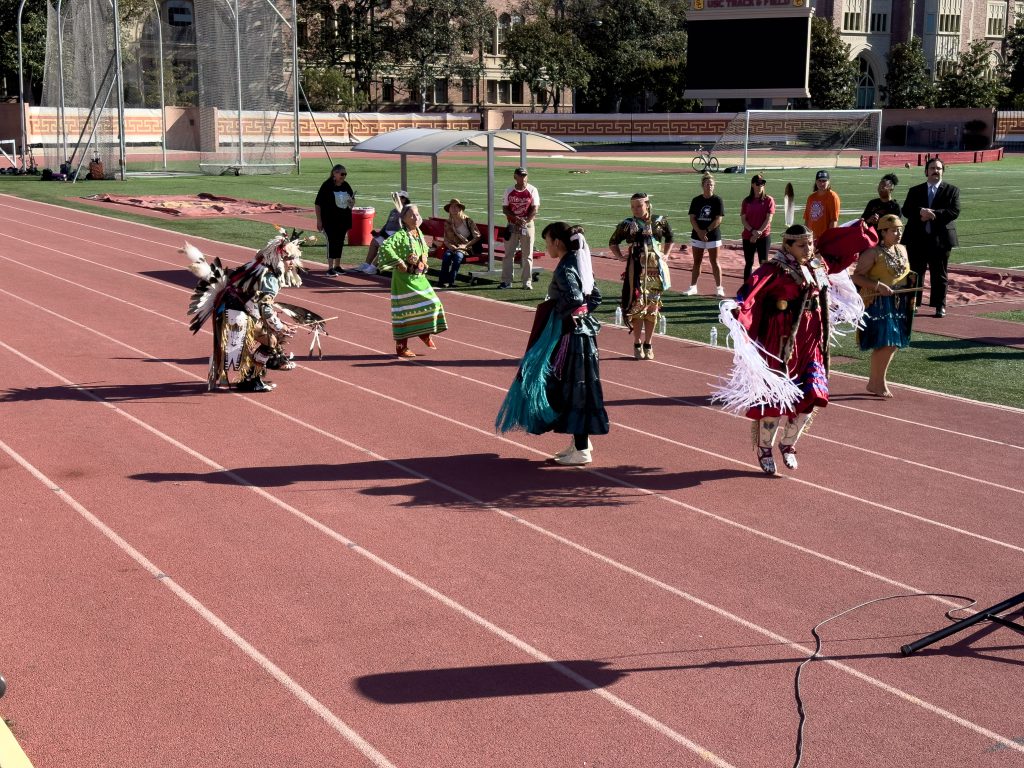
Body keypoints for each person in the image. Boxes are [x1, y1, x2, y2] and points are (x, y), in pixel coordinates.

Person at [712, 222, 875, 474]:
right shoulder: (774, 269)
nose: (808, 248)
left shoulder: (818, 265)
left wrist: (861, 233)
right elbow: (752, 290)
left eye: (810, 243)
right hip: (782, 340)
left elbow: (841, 254)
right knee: (774, 399)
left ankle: (788, 443)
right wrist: (737, 307)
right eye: (801, 245)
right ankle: (765, 448)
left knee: (812, 395)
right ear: (787, 246)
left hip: (811, 339)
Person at [496, 222, 609, 466]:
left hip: (571, 338)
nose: (546, 246)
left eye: (547, 241)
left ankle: (582, 449)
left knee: (573, 389)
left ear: (557, 242)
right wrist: (581, 314)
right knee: (577, 388)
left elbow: (575, 298)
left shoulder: (565, 267)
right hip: (582, 335)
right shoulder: (578, 264)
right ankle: (580, 443)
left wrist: (559, 316)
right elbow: (595, 297)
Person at [182, 229, 311, 393]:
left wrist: (275, 322)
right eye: (288, 258)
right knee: (271, 340)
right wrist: (279, 326)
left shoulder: (259, 267)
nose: (292, 263)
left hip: (234, 309)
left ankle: (257, 372)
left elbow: (256, 301)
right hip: (236, 313)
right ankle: (252, 378)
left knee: (268, 339)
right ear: (277, 258)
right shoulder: (270, 277)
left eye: (293, 258)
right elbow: (264, 307)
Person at [851, 214, 916, 398]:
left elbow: (904, 272)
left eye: (900, 230)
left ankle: (876, 382)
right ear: (883, 232)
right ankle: (877, 383)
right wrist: (878, 286)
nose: (898, 234)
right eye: (894, 231)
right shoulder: (872, 253)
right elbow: (856, 277)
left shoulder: (902, 249)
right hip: (878, 302)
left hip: (899, 301)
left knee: (893, 344)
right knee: (886, 343)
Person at [375, 204, 447, 357]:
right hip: (403, 279)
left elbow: (424, 249)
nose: (416, 217)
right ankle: (401, 347)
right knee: (405, 312)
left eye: (417, 214)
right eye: (412, 215)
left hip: (419, 277)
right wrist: (399, 262)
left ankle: (424, 332)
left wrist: (424, 259)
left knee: (433, 303)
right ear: (404, 219)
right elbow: (385, 247)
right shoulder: (400, 235)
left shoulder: (418, 232)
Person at [609, 192, 675, 360]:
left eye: (639, 206)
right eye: (633, 206)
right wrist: (620, 257)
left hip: (655, 270)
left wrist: (666, 254)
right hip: (636, 270)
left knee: (653, 307)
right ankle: (637, 343)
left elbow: (670, 237)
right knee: (637, 306)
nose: (635, 209)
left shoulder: (659, 221)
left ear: (647, 205)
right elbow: (613, 242)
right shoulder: (627, 224)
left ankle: (648, 343)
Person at [901, 158, 960, 318]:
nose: (935, 171)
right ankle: (914, 303)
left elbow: (954, 211)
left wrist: (934, 214)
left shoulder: (952, 190)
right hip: (917, 239)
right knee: (915, 273)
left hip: (940, 240)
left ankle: (940, 305)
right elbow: (906, 210)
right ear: (926, 171)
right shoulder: (915, 190)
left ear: (943, 171)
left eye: (939, 168)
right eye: (932, 168)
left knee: (939, 274)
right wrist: (920, 212)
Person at [499, 167, 541, 290]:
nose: (522, 178)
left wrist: (526, 220)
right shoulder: (509, 190)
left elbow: (535, 208)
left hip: (527, 225)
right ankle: (506, 281)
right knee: (508, 254)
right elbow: (505, 208)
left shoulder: (532, 190)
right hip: (512, 225)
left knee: (527, 255)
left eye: (524, 176)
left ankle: (527, 281)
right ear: (515, 177)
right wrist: (515, 218)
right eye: (520, 175)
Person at [685, 173, 725, 297]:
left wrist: (706, 231)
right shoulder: (696, 200)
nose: (709, 186)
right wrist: (699, 231)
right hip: (697, 235)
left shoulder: (717, 200)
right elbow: (692, 218)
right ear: (702, 185)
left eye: (711, 184)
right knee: (697, 261)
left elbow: (718, 219)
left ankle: (719, 288)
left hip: (713, 235)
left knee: (714, 261)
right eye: (707, 184)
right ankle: (693, 287)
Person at [353, 191, 410, 275]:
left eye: (399, 198)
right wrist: (380, 233)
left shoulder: (406, 210)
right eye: (396, 198)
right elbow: (387, 224)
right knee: (374, 242)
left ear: (404, 200)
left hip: (395, 236)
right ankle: (367, 264)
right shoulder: (393, 211)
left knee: (384, 246)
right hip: (387, 234)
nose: (396, 200)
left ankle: (373, 267)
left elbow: (404, 227)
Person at [314, 164, 355, 276]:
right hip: (329, 220)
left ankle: (337, 266)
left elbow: (351, 203)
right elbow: (318, 204)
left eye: (345, 174)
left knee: (340, 242)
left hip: (343, 220)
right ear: (334, 173)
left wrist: (352, 202)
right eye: (342, 174)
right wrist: (319, 220)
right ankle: (330, 268)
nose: (344, 176)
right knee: (331, 241)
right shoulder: (327, 186)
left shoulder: (346, 185)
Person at [739, 174, 776, 284]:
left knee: (763, 263)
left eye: (762, 183)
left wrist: (758, 232)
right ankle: (746, 288)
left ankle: (763, 288)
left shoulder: (769, 200)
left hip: (763, 236)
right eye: (758, 183)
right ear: (752, 185)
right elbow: (743, 219)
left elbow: (769, 218)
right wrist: (752, 231)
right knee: (749, 263)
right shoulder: (747, 201)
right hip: (748, 236)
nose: (760, 186)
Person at [438, 198, 481, 288]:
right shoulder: (448, 223)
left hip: (468, 248)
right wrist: (451, 246)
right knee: (447, 256)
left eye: (456, 207)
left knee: (458, 257)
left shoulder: (468, 221)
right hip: (454, 247)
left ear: (460, 208)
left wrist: (465, 245)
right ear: (449, 210)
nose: (454, 209)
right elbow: (446, 239)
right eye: (451, 207)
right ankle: (442, 281)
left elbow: (477, 236)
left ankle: (451, 282)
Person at [804, 170, 840, 240]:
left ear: (828, 182)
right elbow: (807, 219)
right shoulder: (811, 197)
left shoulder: (833, 197)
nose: (821, 183)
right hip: (811, 237)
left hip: (824, 238)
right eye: (819, 181)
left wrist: (829, 238)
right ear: (816, 181)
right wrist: (806, 235)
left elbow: (834, 220)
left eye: (824, 181)